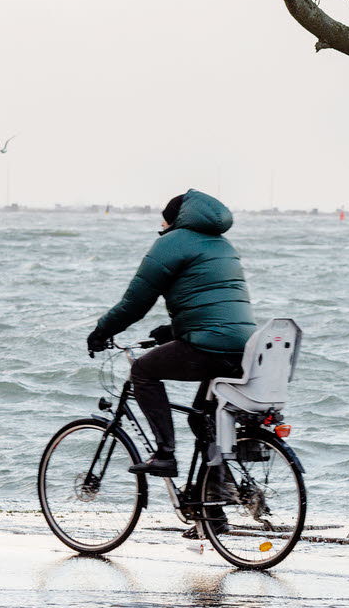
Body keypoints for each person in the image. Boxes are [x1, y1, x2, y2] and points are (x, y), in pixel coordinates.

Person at [87, 190, 255, 478]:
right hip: (246, 348)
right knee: (203, 420)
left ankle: (164, 455)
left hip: (210, 345)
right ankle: (214, 509)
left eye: (163, 223)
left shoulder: (172, 243)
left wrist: (101, 332)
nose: (161, 229)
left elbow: (135, 303)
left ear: (173, 220)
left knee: (142, 371)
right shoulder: (222, 245)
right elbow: (212, 302)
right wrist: (174, 331)